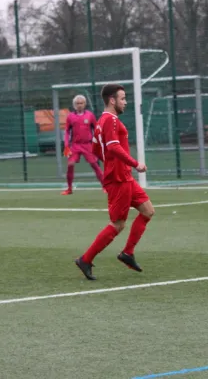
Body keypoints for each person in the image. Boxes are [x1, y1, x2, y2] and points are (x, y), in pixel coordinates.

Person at [75, 84, 155, 280]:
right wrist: (135, 163)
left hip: (123, 176)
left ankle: (127, 253)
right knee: (118, 224)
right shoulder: (109, 120)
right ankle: (85, 259)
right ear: (112, 100)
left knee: (147, 211)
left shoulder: (102, 121)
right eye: (122, 98)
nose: (125, 102)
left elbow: (96, 151)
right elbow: (113, 147)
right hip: (119, 180)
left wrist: (113, 165)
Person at [61, 95, 104, 195]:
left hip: (87, 145)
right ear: (74, 105)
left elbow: (96, 129)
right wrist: (66, 145)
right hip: (75, 145)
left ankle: (104, 186)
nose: (79, 105)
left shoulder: (90, 115)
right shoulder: (70, 116)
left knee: (95, 165)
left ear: (84, 104)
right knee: (70, 164)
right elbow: (67, 131)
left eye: (81, 103)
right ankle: (69, 189)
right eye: (77, 103)